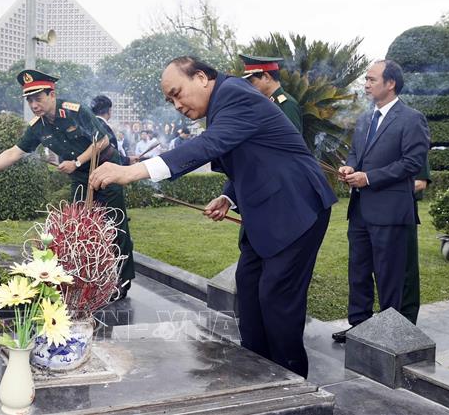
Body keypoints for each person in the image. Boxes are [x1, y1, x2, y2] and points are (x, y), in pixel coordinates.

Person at [89, 56, 337, 378]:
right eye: (170, 100)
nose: (176, 104)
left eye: (178, 93)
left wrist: (132, 171)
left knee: (277, 303)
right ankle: (258, 371)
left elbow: (207, 146)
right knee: (249, 293)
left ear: (202, 78)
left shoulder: (235, 94)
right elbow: (253, 156)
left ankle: (292, 386)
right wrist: (228, 195)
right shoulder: (222, 104)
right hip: (266, 215)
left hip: (296, 210)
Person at [0, 70, 135, 299]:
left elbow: (101, 140)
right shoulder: (38, 127)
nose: (34, 105)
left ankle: (121, 279)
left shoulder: (75, 111)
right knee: (78, 226)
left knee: (114, 223)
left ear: (52, 94)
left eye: (38, 98)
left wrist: (76, 161)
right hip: (81, 176)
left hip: (106, 169)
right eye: (30, 100)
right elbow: (15, 152)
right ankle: (90, 275)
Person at [332, 60, 429, 343]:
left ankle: (389, 334)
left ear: (390, 84)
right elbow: (354, 154)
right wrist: (349, 168)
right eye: (366, 79)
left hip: (391, 212)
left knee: (390, 275)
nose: (366, 84)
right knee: (358, 270)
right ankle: (359, 326)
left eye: (372, 79)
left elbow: (412, 163)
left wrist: (369, 178)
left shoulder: (411, 119)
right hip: (360, 210)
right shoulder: (365, 118)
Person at [239, 54, 303, 133]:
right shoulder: (268, 103)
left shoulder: (286, 105)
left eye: (252, 81)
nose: (250, 86)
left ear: (266, 77)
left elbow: (292, 141)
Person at [401, 161, 431, 325]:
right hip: (374, 210)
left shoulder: (413, 137)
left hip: (403, 210)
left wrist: (387, 192)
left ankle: (407, 321)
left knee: (406, 267)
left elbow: (420, 183)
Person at [90, 95, 136, 165]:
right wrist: (127, 160)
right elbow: (109, 156)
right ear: (109, 111)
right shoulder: (104, 128)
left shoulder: (89, 125)